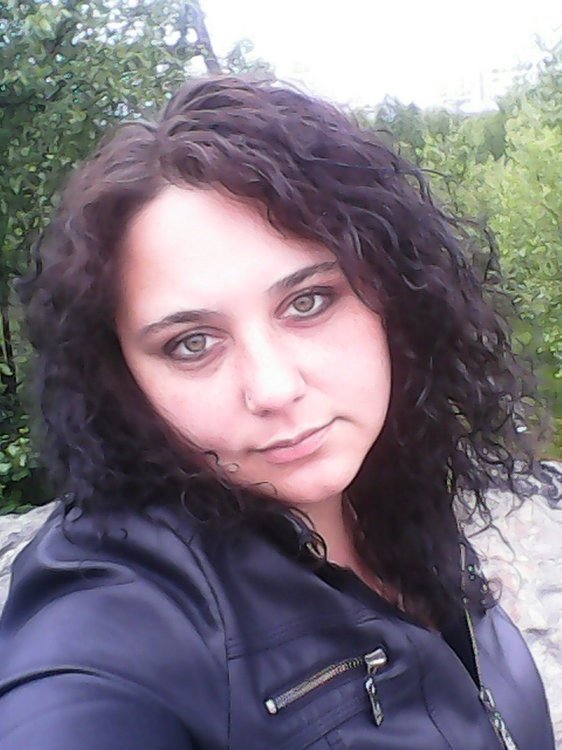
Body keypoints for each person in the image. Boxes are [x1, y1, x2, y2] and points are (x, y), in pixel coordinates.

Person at [0, 76, 554, 750]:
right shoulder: (122, 611)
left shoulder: (397, 495)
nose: (272, 387)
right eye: (192, 343)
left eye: (308, 302)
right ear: (121, 378)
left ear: (394, 296)